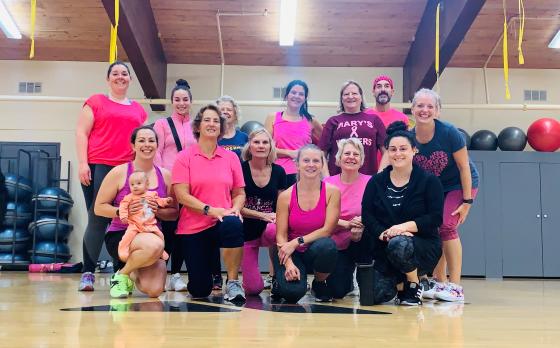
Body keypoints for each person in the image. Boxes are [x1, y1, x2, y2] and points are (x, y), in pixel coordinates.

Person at [76, 61, 148, 291]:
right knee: (97, 218)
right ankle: (88, 272)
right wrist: (82, 163)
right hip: (99, 166)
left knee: (127, 218)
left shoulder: (138, 109)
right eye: (115, 73)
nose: (120, 77)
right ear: (108, 79)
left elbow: (142, 140)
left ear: (130, 79)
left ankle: (121, 273)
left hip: (128, 170)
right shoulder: (96, 101)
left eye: (124, 73)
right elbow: (81, 132)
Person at [361, 121, 444, 306]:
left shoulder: (429, 181)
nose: (397, 153)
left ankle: (414, 283)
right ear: (387, 152)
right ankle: (401, 284)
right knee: (373, 297)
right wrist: (384, 234)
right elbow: (367, 214)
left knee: (400, 244)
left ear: (414, 150)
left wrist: (403, 228)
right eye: (392, 149)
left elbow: (435, 218)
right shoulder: (376, 181)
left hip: (422, 246)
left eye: (403, 149)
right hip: (385, 245)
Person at [410, 88, 479, 302]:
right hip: (434, 189)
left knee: (446, 226)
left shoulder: (449, 133)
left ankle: (455, 285)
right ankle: (439, 282)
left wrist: (467, 201)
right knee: (433, 228)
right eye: (420, 105)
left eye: (430, 106)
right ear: (412, 109)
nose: (425, 110)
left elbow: (464, 167)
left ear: (438, 111)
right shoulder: (410, 138)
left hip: (459, 184)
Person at [172, 104, 247, 302]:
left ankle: (232, 282)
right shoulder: (184, 157)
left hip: (223, 222)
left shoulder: (231, 158)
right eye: (207, 120)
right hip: (193, 226)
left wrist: (235, 208)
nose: (212, 124)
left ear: (221, 128)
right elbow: (181, 195)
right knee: (199, 290)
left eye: (216, 121)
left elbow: (239, 192)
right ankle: (206, 278)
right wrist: (209, 210)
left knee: (233, 223)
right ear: (197, 126)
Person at [94, 126, 178, 298]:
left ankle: (127, 271)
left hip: (150, 231)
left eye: (151, 140)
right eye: (141, 140)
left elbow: (174, 213)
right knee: (154, 245)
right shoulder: (119, 172)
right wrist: (120, 212)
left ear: (157, 145)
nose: (146, 145)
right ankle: (123, 274)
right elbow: (99, 207)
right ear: (133, 146)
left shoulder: (166, 176)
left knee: (154, 289)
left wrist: (159, 212)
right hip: (123, 233)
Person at [273, 144, 340, 303]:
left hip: (316, 249)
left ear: (322, 165)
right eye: (306, 160)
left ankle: (319, 282)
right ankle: (280, 278)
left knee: (327, 246)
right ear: (297, 165)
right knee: (292, 294)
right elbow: (281, 235)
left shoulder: (332, 192)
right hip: (291, 252)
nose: (311, 164)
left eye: (316, 161)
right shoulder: (285, 196)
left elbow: (327, 230)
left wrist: (297, 241)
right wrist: (288, 263)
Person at [153, 78, 195, 292]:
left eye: (185, 99)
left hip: (191, 185)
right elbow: (157, 152)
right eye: (177, 99)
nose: (181, 103)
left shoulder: (196, 125)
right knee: (168, 228)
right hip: (170, 182)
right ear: (172, 102)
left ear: (191, 101)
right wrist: (163, 178)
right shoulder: (161, 124)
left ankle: (176, 274)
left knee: (183, 230)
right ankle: (160, 269)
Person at [239, 129, 287, 296]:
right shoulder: (240, 169)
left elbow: (283, 205)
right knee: (253, 289)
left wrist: (273, 217)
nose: (261, 146)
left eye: (265, 142)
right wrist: (263, 215)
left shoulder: (279, 172)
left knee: (276, 229)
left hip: (271, 228)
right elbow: (237, 206)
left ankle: (276, 276)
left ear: (271, 146)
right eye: (256, 142)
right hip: (247, 231)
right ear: (249, 146)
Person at [324, 138, 370, 299]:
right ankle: (345, 281)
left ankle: (365, 278)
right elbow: (320, 216)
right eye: (347, 153)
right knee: (337, 291)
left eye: (356, 154)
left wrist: (362, 223)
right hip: (335, 242)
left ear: (362, 160)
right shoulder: (327, 183)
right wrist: (348, 224)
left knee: (371, 293)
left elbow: (378, 212)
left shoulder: (371, 182)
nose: (351, 157)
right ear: (338, 158)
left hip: (363, 240)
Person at [319, 80, 387, 176]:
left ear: (361, 97)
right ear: (341, 99)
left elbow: (386, 152)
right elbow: (322, 153)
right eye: (346, 94)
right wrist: (326, 178)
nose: (350, 97)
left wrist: (380, 176)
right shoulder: (332, 121)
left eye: (354, 93)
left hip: (368, 180)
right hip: (338, 181)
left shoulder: (374, 120)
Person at [265, 80, 323, 186]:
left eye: (301, 94)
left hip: (304, 175)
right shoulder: (273, 117)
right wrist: (290, 153)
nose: (297, 96)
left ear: (305, 99)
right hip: (277, 174)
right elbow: (266, 148)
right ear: (287, 95)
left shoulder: (311, 121)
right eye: (293, 92)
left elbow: (325, 145)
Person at [117, 170, 173, 262]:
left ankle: (161, 251)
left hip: (150, 224)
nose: (135, 186)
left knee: (160, 235)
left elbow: (159, 201)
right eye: (132, 184)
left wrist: (166, 201)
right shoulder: (129, 197)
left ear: (147, 185)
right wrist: (123, 216)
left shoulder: (152, 194)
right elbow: (123, 206)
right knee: (127, 238)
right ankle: (123, 251)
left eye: (138, 183)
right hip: (134, 225)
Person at [364, 75, 410, 164]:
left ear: (392, 92)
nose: (383, 89)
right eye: (379, 86)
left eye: (386, 86)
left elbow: (406, 146)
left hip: (394, 170)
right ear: (373, 92)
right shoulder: (364, 116)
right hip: (369, 170)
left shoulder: (402, 118)